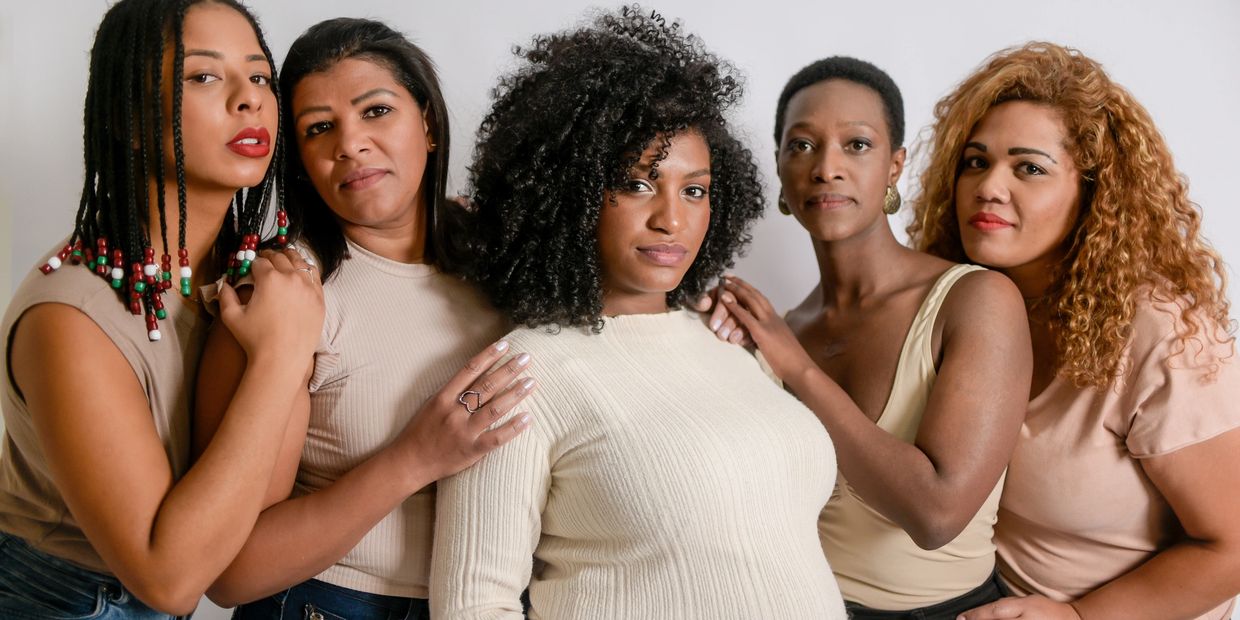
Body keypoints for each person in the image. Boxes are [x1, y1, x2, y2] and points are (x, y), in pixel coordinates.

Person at [430, 8, 847, 619]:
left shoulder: (728, 340)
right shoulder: (523, 374)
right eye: (638, 184)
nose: (671, 220)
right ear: (566, 191)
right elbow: (473, 606)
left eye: (695, 190)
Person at [192, 18, 533, 620]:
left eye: (375, 112)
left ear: (427, 123)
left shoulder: (505, 258)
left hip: (491, 601)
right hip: (325, 605)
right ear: (298, 158)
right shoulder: (282, 295)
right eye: (319, 128)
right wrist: (413, 459)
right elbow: (231, 573)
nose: (349, 144)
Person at [0, 0, 324, 617]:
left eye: (259, 76)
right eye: (204, 77)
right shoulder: (71, 319)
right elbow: (171, 580)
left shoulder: (248, 279)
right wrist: (281, 357)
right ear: (129, 113)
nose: (249, 100)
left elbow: (248, 521)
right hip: (60, 598)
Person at [907, 42, 1240, 620]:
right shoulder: (959, 303)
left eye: (1029, 167)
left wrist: (1080, 618)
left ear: (1093, 192)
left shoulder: (1159, 332)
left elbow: (1233, 548)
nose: (989, 186)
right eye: (976, 161)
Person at [708, 56, 1032, 619]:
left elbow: (936, 516)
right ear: (781, 167)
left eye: (856, 145)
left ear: (894, 165)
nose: (826, 167)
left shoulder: (976, 300)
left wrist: (799, 371)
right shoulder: (780, 327)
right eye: (802, 145)